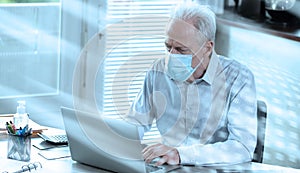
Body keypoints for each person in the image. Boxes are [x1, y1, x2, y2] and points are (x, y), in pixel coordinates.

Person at [126, 2, 257, 166]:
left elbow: (242, 148)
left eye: (181, 50)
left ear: (207, 48)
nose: (172, 55)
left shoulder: (238, 78)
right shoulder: (158, 70)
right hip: (167, 167)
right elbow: (135, 123)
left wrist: (181, 155)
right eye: (168, 47)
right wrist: (118, 141)